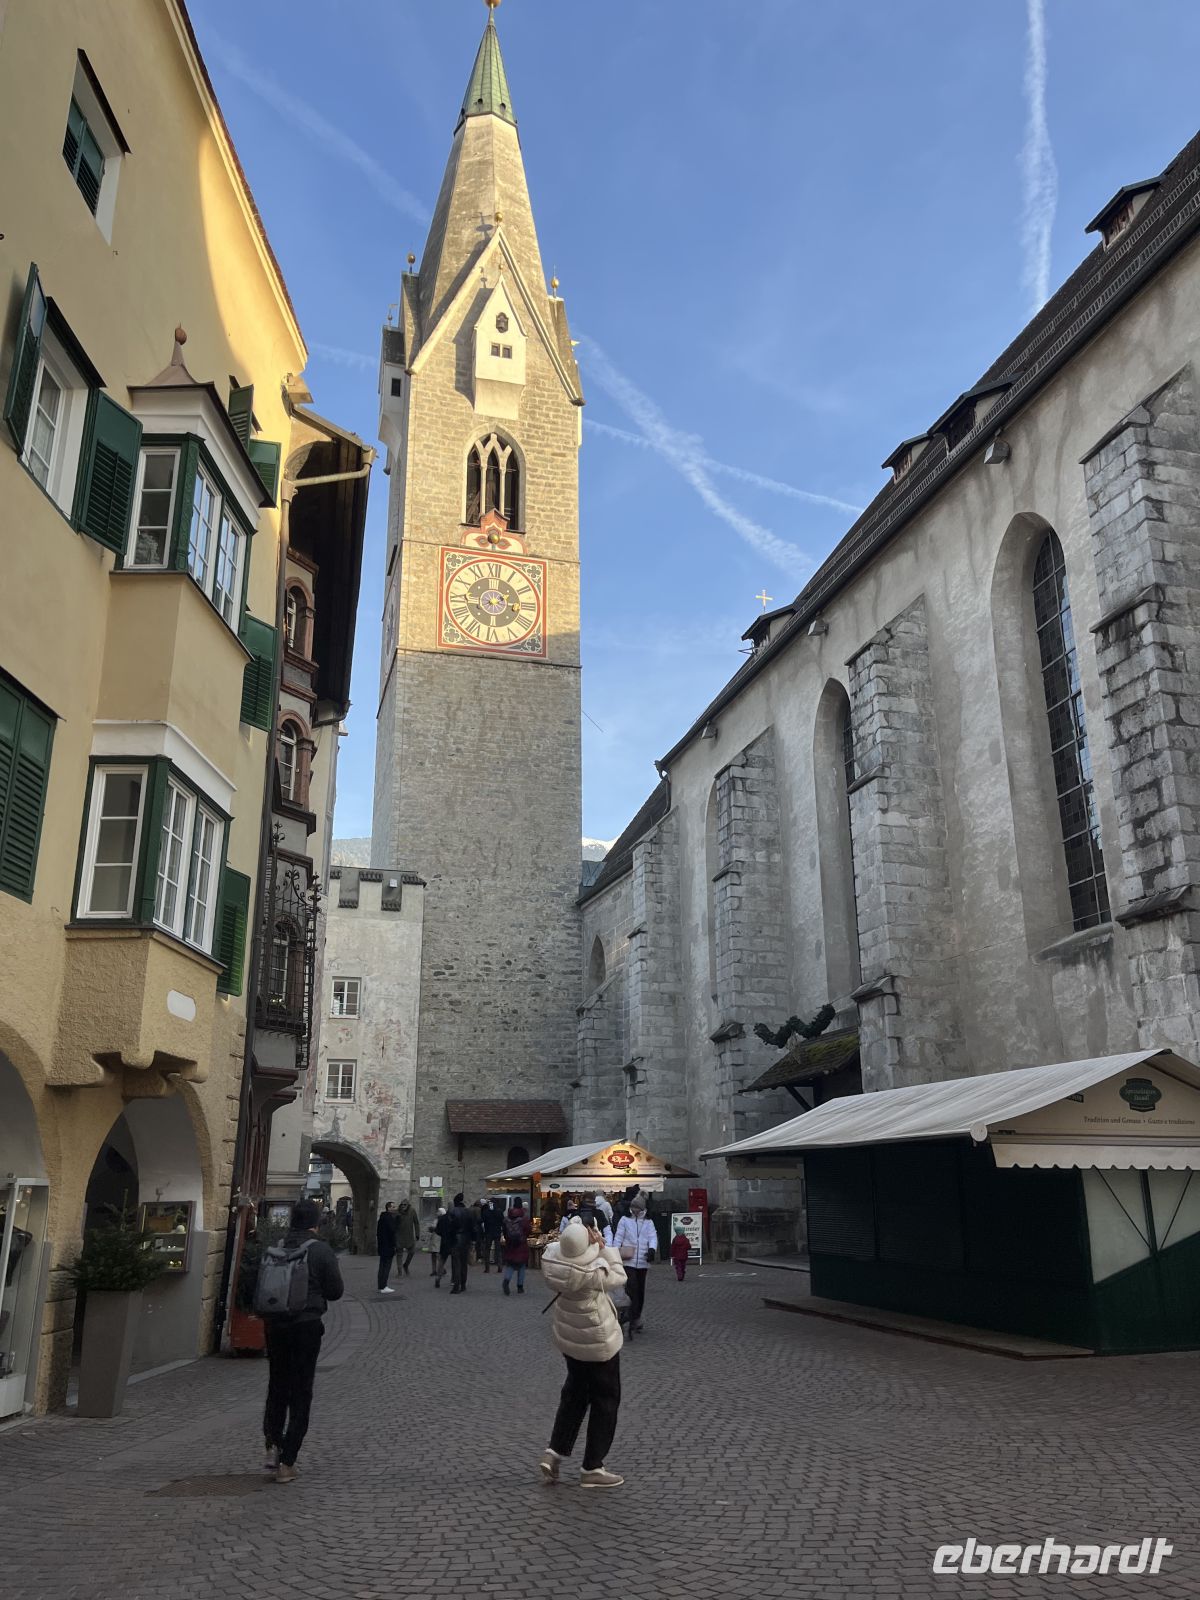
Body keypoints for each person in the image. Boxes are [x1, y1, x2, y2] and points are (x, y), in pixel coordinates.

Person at [261, 1198, 344, 1484]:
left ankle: (272, 1447)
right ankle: (287, 1461)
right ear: (316, 1222)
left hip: (274, 1325)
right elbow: (335, 1291)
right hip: (306, 1325)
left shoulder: (275, 1248)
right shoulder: (320, 1250)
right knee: (301, 1390)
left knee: (277, 1385)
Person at [539, 1220, 626, 1489]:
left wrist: (581, 1236)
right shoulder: (591, 1271)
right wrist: (602, 1245)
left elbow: (566, 1244)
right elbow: (620, 1275)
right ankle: (592, 1467)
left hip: (570, 1338)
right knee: (606, 1399)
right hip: (597, 1340)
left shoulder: (554, 1265)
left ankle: (554, 1452)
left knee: (574, 1393)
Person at [613, 1195, 656, 1334]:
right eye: (633, 1208)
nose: (635, 1210)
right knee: (632, 1287)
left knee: (640, 1291)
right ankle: (628, 1313)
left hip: (643, 1261)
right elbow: (618, 1237)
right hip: (628, 1259)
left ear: (642, 1209)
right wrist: (614, 1253)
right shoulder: (625, 1220)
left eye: (637, 1208)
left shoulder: (648, 1222)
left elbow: (652, 1236)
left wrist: (652, 1249)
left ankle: (636, 1317)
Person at [447, 1192, 478, 1294]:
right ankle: (463, 1284)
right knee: (464, 1262)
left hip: (456, 1239)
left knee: (456, 1263)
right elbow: (473, 1227)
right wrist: (473, 1239)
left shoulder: (453, 1212)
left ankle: (456, 1285)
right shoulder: (468, 1212)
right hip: (466, 1239)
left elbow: (450, 1228)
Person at [501, 1200, 531, 1294]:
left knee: (510, 1265)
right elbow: (528, 1231)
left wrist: (508, 1239)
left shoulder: (507, 1218)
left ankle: (506, 1280)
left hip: (510, 1244)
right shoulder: (524, 1218)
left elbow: (505, 1231)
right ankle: (520, 1286)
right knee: (521, 1266)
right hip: (521, 1245)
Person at [393, 1198, 420, 1278]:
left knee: (412, 1252)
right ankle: (400, 1271)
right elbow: (393, 1224)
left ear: (408, 1205)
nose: (403, 1206)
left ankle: (406, 1265)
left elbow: (416, 1223)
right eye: (402, 1205)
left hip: (409, 1236)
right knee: (399, 1254)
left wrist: (417, 1234)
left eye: (405, 1205)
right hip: (399, 1236)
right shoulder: (397, 1212)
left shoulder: (412, 1211)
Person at [376, 1202, 398, 1295]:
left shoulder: (381, 1218)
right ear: (388, 1208)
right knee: (386, 1267)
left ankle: (381, 1286)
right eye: (393, 1207)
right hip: (388, 1247)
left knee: (382, 1267)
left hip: (382, 1246)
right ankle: (383, 1286)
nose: (394, 1208)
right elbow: (392, 1232)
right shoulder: (389, 1219)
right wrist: (394, 1245)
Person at [480, 1197, 505, 1272]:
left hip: (488, 1232)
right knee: (498, 1250)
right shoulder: (499, 1211)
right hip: (497, 1232)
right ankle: (500, 1266)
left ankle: (487, 1268)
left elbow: (482, 1219)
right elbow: (502, 1221)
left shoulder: (486, 1212)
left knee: (487, 1250)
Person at [433, 1205, 453, 1286]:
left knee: (442, 1260)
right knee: (454, 1261)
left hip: (444, 1242)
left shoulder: (442, 1218)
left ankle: (438, 1277)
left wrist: (443, 1235)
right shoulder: (454, 1218)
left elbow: (438, 1231)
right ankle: (453, 1279)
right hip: (454, 1242)